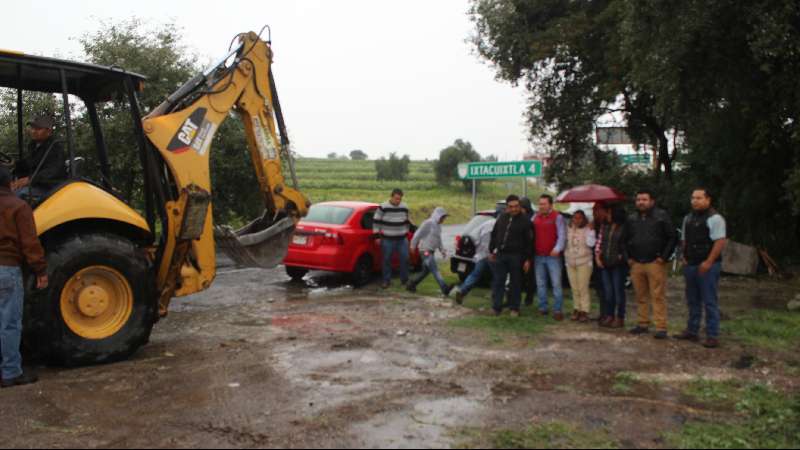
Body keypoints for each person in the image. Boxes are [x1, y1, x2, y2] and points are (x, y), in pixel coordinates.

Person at [0, 166, 48, 388]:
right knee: (9, 323)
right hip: (7, 269)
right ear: (10, 183)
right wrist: (40, 270)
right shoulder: (18, 206)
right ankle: (10, 372)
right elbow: (30, 243)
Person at [674, 188, 728, 349]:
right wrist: (683, 256)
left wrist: (709, 262)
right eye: (693, 198)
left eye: (699, 198)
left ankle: (712, 335)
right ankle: (692, 330)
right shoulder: (688, 218)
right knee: (692, 299)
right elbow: (684, 239)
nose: (695, 201)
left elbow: (720, 242)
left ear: (708, 199)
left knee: (709, 300)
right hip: (690, 263)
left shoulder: (716, 219)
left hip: (708, 265)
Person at [626, 190, 678, 340]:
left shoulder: (661, 216)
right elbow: (625, 239)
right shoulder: (632, 218)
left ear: (652, 201)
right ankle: (642, 324)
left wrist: (664, 257)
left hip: (655, 263)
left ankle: (661, 327)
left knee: (657, 296)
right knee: (640, 295)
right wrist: (629, 258)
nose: (641, 202)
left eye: (644, 199)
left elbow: (672, 237)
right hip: (637, 263)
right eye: (638, 200)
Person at [489, 195, 533, 317]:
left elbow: (529, 242)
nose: (514, 209)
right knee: (498, 281)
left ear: (519, 206)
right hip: (501, 254)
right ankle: (496, 307)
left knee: (515, 283)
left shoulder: (525, 221)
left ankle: (514, 308)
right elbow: (494, 234)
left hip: (517, 256)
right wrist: (491, 250)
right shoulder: (502, 217)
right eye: (511, 207)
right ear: (507, 207)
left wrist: (527, 259)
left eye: (516, 206)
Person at [12, 115, 67, 200]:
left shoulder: (55, 147)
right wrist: (13, 164)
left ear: (48, 131)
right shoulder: (34, 145)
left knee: (16, 194)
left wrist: (29, 179)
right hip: (36, 184)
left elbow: (51, 171)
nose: (33, 131)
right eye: (32, 128)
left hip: (50, 187)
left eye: (38, 129)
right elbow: (29, 162)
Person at [532, 194, 567, 321]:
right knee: (540, 284)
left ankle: (557, 310)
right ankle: (543, 308)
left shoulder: (558, 217)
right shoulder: (535, 217)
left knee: (556, 284)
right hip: (538, 256)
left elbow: (562, 236)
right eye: (540, 204)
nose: (541, 206)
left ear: (550, 205)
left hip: (553, 257)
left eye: (543, 204)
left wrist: (557, 249)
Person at [407, 207, 454, 296]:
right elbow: (417, 234)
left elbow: (438, 239)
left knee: (426, 271)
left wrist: (442, 250)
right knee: (435, 269)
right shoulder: (428, 223)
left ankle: (412, 283)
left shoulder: (438, 226)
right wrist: (412, 246)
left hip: (431, 251)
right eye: (443, 217)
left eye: (444, 218)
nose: (443, 220)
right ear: (438, 216)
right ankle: (445, 288)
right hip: (425, 251)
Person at [596, 206, 628, 329]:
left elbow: (627, 244)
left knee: (618, 292)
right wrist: (598, 257)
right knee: (608, 292)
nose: (607, 215)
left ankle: (620, 317)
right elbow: (601, 243)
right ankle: (609, 315)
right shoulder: (605, 226)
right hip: (605, 263)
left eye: (609, 213)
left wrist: (622, 256)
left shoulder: (624, 227)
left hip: (618, 265)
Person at [452, 216, 496, 305]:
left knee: (475, 274)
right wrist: (491, 253)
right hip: (488, 255)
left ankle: (462, 290)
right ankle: (495, 298)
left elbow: (477, 240)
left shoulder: (487, 223)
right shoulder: (493, 226)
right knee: (497, 276)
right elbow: (486, 243)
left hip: (481, 255)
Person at [374, 189, 411, 289]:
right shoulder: (383, 207)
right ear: (391, 197)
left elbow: (407, 220)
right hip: (387, 239)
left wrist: (408, 230)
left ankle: (405, 280)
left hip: (402, 239)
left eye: (400, 199)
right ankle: (386, 281)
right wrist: (377, 236)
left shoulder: (405, 207)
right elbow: (376, 222)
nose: (398, 201)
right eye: (396, 199)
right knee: (386, 260)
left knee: (405, 258)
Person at [564, 210, 596, 323]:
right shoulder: (568, 228)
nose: (577, 220)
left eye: (579, 218)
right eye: (575, 218)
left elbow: (591, 244)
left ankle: (584, 310)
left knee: (583, 287)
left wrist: (591, 231)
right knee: (574, 287)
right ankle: (576, 308)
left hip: (584, 261)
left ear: (584, 219)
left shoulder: (588, 229)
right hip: (570, 261)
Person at [592, 203, 612, 325]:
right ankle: (602, 313)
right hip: (596, 260)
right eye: (594, 210)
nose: (595, 213)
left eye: (597, 210)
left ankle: (608, 314)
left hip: (607, 260)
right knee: (599, 288)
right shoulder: (595, 224)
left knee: (608, 289)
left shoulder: (608, 224)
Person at [519, 197, 537, 307]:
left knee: (530, 278)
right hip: (519, 253)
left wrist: (528, 257)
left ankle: (528, 299)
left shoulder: (531, 220)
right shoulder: (521, 218)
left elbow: (531, 239)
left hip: (530, 252)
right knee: (519, 277)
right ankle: (519, 299)